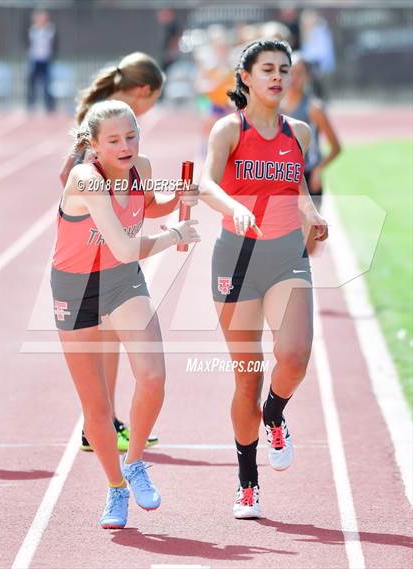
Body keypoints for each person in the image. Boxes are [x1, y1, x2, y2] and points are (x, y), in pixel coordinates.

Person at [52, 99, 200, 528]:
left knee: (152, 376)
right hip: (76, 289)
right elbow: (125, 244)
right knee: (96, 407)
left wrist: (176, 200)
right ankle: (116, 487)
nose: (125, 146)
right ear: (94, 147)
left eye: (131, 136)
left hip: (121, 281)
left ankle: (134, 462)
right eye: (114, 140)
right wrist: (174, 236)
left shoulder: (143, 167)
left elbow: (143, 206)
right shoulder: (86, 179)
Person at [200, 40, 328, 519]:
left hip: (286, 256)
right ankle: (247, 482)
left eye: (284, 69)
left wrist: (312, 214)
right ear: (246, 77)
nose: (278, 77)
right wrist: (232, 205)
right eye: (268, 69)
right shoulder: (228, 129)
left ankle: (275, 414)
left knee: (294, 355)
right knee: (247, 380)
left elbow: (296, 187)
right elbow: (206, 183)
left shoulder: (300, 133)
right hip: (236, 260)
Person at [59, 52, 165, 453]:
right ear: (144, 91)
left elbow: (142, 197)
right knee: (106, 340)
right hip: (91, 257)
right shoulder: (102, 124)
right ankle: (99, 423)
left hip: (110, 252)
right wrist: (92, 211)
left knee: (114, 340)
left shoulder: (114, 123)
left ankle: (105, 420)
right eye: (154, 101)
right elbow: (68, 175)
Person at [281, 51, 341, 252]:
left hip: (308, 175)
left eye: (299, 73)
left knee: (310, 246)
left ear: (306, 76)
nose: (294, 78)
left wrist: (318, 170)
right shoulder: (274, 107)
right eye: (289, 72)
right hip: (283, 177)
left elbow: (336, 147)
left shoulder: (314, 107)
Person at [26, 9, 57, 112]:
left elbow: (55, 44)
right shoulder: (33, 30)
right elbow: (28, 43)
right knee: (32, 82)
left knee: (47, 84)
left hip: (46, 60)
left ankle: (49, 105)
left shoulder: (50, 30)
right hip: (35, 59)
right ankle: (31, 103)